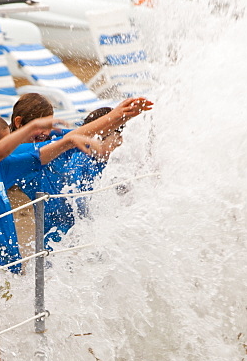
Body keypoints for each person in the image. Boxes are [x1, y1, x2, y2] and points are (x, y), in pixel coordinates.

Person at [0, 99, 151, 361]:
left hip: (10, 262)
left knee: (10, 329)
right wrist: (34, 126)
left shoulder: (0, 165)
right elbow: (1, 151)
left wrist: (117, 117)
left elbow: (61, 141)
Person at [9, 94, 145, 249]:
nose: (45, 133)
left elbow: (87, 132)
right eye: (41, 127)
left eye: (48, 126)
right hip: (53, 232)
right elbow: (72, 138)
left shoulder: (50, 137)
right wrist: (115, 115)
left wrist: (123, 117)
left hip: (76, 226)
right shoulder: (15, 154)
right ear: (19, 123)